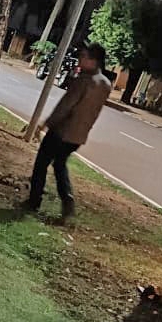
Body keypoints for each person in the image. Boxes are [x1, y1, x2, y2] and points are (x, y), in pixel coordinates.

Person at [24, 43, 112, 218]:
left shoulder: (84, 81)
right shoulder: (105, 84)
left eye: (83, 56)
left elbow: (65, 106)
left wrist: (45, 124)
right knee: (59, 164)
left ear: (93, 60)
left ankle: (34, 202)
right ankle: (67, 198)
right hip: (78, 136)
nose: (80, 59)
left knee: (41, 164)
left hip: (61, 131)